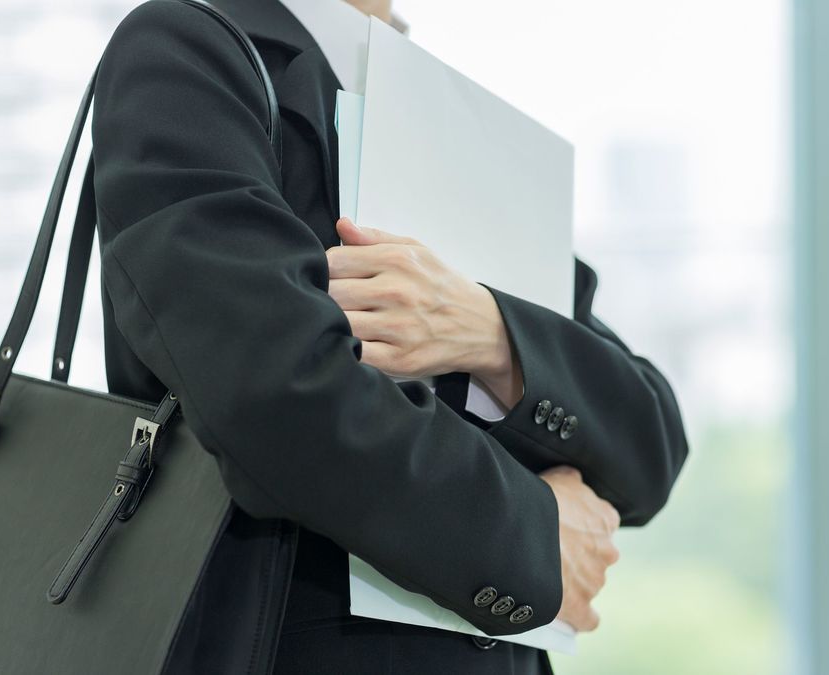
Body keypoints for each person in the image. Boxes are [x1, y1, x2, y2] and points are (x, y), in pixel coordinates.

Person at [90, 0, 689, 672]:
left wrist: (493, 334)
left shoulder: (462, 124)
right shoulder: (190, 53)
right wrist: (533, 537)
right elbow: (278, 396)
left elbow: (651, 449)